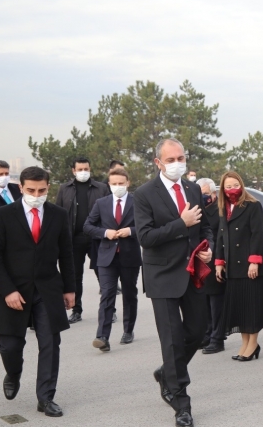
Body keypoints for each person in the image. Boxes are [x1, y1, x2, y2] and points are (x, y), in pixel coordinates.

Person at [134, 138, 213, 427]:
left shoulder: (192, 188)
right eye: (170, 160)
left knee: (198, 330)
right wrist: (181, 223)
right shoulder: (144, 194)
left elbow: (205, 226)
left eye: (181, 157)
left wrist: (209, 246)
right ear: (158, 163)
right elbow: (145, 237)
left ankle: (167, 373)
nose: (177, 163)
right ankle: (181, 403)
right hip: (163, 277)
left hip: (192, 273)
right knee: (172, 341)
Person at [0, 166, 75, 417]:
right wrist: (7, 290)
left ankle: (46, 398)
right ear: (20, 188)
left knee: (50, 343)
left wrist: (70, 289)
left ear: (48, 187)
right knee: (10, 346)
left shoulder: (58, 214)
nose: (36, 194)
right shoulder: (3, 215)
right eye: (30, 190)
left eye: (42, 190)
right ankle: (14, 372)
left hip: (48, 288)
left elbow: (66, 253)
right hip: (12, 289)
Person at [214, 172, 263, 362]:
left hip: (250, 266)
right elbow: (220, 237)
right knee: (240, 308)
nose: (231, 189)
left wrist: (254, 261)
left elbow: (257, 235)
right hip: (233, 267)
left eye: (235, 185)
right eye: (227, 186)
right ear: (223, 189)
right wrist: (219, 263)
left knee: (252, 307)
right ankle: (246, 344)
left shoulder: (253, 206)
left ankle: (253, 344)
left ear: (241, 185)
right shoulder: (224, 207)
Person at [83, 167, 141, 351]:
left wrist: (131, 231)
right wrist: (105, 233)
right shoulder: (102, 203)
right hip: (107, 256)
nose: (118, 187)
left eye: (121, 183)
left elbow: (148, 225)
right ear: (109, 184)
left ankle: (128, 330)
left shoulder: (137, 202)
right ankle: (102, 336)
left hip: (129, 255)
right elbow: (88, 226)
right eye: (114, 184)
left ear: (128, 183)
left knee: (129, 294)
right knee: (107, 294)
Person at [55, 156, 110, 324]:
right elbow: (58, 213)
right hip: (73, 239)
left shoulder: (101, 188)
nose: (83, 172)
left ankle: (109, 310)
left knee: (104, 274)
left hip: (96, 238)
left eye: (86, 169)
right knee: (74, 275)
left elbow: (109, 212)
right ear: (73, 171)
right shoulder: (64, 189)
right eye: (80, 169)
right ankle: (76, 310)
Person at [197, 178, 226, 354]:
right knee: (205, 301)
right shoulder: (197, 210)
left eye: (206, 194)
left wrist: (219, 261)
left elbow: (221, 238)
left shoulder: (220, 211)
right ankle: (207, 334)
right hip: (201, 262)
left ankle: (218, 338)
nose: (203, 197)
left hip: (216, 260)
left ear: (214, 194)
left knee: (217, 303)